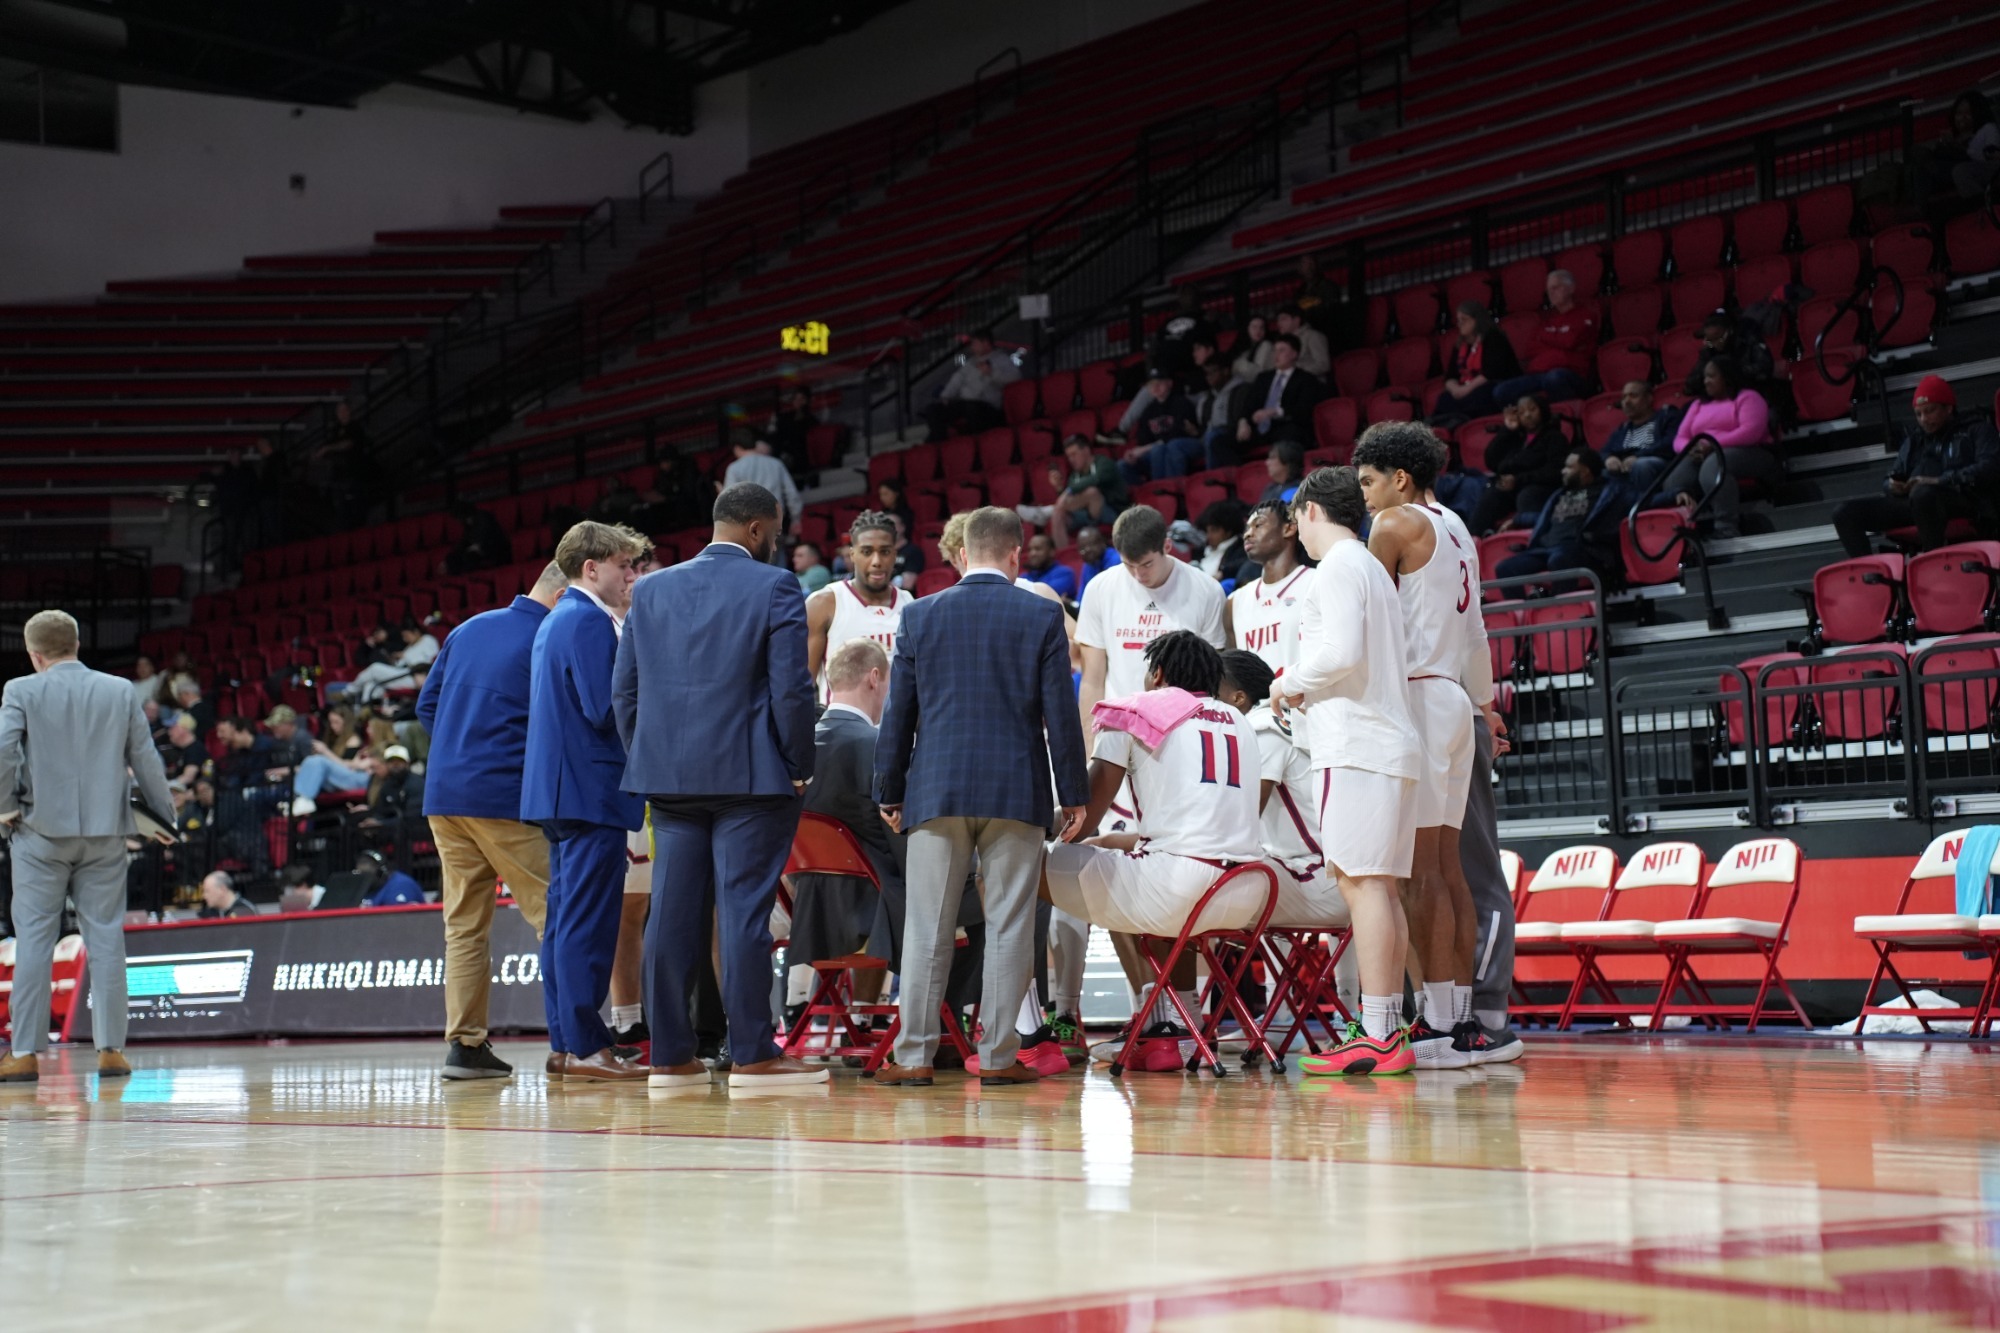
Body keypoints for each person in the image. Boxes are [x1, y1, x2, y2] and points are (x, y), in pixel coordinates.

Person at [614, 483, 824, 1089]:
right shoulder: (776, 585)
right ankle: (754, 1053)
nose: (778, 541)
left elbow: (624, 691)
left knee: (670, 916)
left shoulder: (649, 589)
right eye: (776, 530)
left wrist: (646, 755)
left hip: (669, 780)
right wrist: (798, 762)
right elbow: (792, 689)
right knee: (742, 916)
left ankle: (669, 1058)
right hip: (751, 779)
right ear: (757, 529)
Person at [872, 507, 1089, 1087]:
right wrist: (1073, 793)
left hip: (936, 788)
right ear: (1017, 555)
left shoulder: (918, 614)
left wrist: (889, 789)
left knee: (927, 927)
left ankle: (914, 1056)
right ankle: (996, 1058)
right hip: (1015, 788)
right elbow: (1060, 714)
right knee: (1012, 924)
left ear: (963, 554)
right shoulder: (1042, 613)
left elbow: (900, 714)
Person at [1040, 632, 1266, 1067]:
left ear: (1157, 673)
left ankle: (1030, 1025)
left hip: (1177, 888)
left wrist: (1025, 819)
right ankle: (1181, 1028)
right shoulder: (1238, 719)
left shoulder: (1136, 709)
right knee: (1136, 868)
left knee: (1017, 869)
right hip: (1246, 890)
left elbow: (1083, 814)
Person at [1273, 467, 1425, 1076]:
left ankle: (1378, 1033)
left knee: (1363, 887)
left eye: (1296, 521)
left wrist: (1287, 684)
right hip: (1386, 742)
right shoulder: (1368, 566)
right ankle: (1386, 1028)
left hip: (1357, 743)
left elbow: (1338, 655)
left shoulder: (1334, 567)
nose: (1297, 535)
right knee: (1380, 888)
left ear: (1311, 511)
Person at [1355, 423, 1497, 1068]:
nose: (1364, 497)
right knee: (1448, 868)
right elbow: (1476, 635)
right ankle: (1459, 1020)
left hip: (1412, 696)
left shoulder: (1393, 527)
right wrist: (1487, 707)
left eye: (1368, 482)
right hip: (1455, 701)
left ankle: (1437, 1026)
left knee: (1415, 874)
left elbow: (1368, 623)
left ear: (1400, 479)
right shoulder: (1459, 528)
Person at [0, 610, 177, 1083]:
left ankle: (23, 1054)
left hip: (40, 833)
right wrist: (165, 819)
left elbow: (4, 749)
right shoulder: (119, 690)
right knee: (106, 938)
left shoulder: (20, 689)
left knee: (35, 940)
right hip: (105, 834)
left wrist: (4, 807)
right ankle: (112, 1050)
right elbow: (145, 757)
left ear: (34, 655)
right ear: (76, 644)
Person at [417, 559, 567, 1081]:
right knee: (557, 917)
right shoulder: (549, 636)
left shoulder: (468, 627)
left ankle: (465, 1045)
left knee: (463, 928)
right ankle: (572, 1041)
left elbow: (427, 705)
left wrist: (461, 749)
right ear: (563, 591)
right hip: (503, 796)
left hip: (444, 797)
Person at [523, 521, 650, 1083]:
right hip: (588, 791)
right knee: (586, 924)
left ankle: (566, 1042)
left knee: (565, 922)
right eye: (624, 565)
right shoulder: (590, 621)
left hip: (560, 790)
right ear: (590, 568)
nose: (632, 575)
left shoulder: (558, 619)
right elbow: (608, 710)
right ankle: (583, 1045)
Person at [786, 640, 906, 1003]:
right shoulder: (879, 746)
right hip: (876, 912)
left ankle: (862, 1014)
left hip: (806, 911)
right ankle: (945, 1032)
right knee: (973, 898)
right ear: (874, 678)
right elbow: (903, 845)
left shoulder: (794, 747)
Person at [1216, 650, 1348, 932]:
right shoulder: (1280, 719)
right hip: (1329, 874)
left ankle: (1179, 979)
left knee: (1197, 882)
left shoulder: (1261, 731)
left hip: (1318, 879)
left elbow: (1242, 824)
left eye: (1214, 694)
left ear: (1238, 698)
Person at [1833, 375, 1999, 557]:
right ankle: (1868, 575)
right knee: (1845, 512)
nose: (1923, 419)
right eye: (1918, 414)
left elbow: (1989, 468)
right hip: (1916, 503)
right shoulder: (1914, 439)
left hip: (1962, 499)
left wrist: (1938, 481)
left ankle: (1932, 562)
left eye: (1930, 411)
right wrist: (1892, 485)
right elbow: (1893, 475)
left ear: (1949, 408)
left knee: (1923, 493)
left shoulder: (1976, 429)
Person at [1658, 356, 1781, 540]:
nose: (1706, 381)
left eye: (1711, 376)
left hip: (1753, 452)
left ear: (1727, 377)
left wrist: (1713, 446)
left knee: (1713, 466)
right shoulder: (1699, 404)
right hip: (1705, 452)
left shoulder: (1748, 397)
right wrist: (1691, 448)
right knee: (1675, 477)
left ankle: (1727, 527)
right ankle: (1685, 531)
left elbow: (1750, 432)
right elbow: (1680, 437)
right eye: (1705, 377)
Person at [806, 511, 915, 691]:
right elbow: (803, 683)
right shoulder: (824, 603)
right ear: (852, 555)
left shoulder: (908, 602)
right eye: (866, 552)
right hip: (842, 719)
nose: (876, 561)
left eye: (885, 551)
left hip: (898, 719)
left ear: (895, 555)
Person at [1494, 448, 1629, 588]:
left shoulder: (1610, 491)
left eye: (1569, 467)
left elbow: (1638, 501)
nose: (1563, 471)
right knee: (1505, 568)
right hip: (1547, 547)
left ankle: (1562, 608)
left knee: (1559, 559)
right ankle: (1522, 610)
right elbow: (1544, 517)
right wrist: (1517, 520)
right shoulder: (1561, 494)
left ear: (1585, 471)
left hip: (1581, 548)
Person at [1226, 499, 1316, 668]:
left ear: (1288, 528)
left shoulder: (1316, 582)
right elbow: (1234, 674)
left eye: (1258, 525)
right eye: (1247, 528)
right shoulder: (1234, 602)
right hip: (1261, 695)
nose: (1248, 534)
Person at [1490, 270, 1597, 405]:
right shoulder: (1547, 320)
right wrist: (1558, 342)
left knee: (1554, 378)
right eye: (1548, 290)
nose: (1551, 293)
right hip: (1538, 374)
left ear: (1571, 288)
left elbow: (1569, 341)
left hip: (1571, 374)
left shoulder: (1585, 316)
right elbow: (1531, 349)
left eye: (1556, 287)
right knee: (1501, 391)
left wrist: (1545, 339)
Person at [1470, 393, 1569, 535]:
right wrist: (1507, 430)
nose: (1528, 415)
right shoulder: (1516, 438)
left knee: (1527, 495)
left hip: (1540, 487)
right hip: (1514, 487)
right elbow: (1491, 461)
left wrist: (1518, 480)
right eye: (1522, 413)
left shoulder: (1555, 437)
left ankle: (1526, 538)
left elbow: (1554, 471)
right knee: (1492, 494)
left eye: (1532, 409)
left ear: (1542, 410)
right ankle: (1473, 540)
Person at [1028, 435, 1127, 546]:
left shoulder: (1104, 463)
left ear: (1086, 450)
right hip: (1085, 514)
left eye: (1074, 454)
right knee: (1058, 513)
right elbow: (1070, 500)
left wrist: (1068, 490)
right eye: (1069, 456)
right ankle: (1064, 555)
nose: (1071, 459)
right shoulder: (1074, 476)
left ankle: (1047, 511)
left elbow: (1096, 479)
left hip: (1112, 511)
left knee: (1092, 492)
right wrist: (1060, 488)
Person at [924, 329, 1020, 441]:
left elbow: (1014, 378)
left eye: (975, 343)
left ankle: (978, 444)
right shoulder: (970, 363)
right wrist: (946, 396)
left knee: (972, 410)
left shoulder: (1001, 360)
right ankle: (939, 445)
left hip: (987, 406)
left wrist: (991, 373)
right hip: (966, 403)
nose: (972, 347)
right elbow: (957, 380)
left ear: (985, 343)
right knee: (934, 410)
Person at [1435, 301, 1521, 423]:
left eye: (1463, 320)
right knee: (1444, 398)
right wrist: (1455, 389)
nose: (1459, 324)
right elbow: (1451, 375)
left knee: (1481, 395)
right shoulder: (1460, 345)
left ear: (1477, 320)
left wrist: (1465, 390)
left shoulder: (1494, 338)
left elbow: (1491, 373)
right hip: (1466, 387)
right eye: (1458, 320)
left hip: (1493, 384)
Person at [1234, 334, 1320, 449]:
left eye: (1282, 350)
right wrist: (1243, 422)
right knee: (1220, 439)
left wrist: (1274, 412)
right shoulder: (1263, 378)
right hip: (1258, 430)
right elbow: (1248, 405)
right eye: (1274, 351)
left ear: (1294, 354)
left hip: (1285, 427)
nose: (1276, 355)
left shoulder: (1306, 379)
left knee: (1290, 434)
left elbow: (1303, 410)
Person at [1117, 369, 1201, 484]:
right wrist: (1134, 453)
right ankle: (1145, 494)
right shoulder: (1148, 411)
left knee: (1159, 449)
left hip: (1179, 447)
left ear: (1169, 383)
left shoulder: (1181, 403)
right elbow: (1143, 439)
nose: (1155, 387)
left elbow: (1178, 434)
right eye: (1151, 384)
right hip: (1155, 453)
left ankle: (1163, 491)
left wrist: (1147, 448)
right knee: (1122, 465)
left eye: (1159, 383)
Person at [1601, 380, 1682, 494]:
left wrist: (1637, 457)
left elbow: (1670, 443)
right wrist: (1609, 459)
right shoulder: (1623, 428)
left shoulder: (1666, 416)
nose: (1627, 402)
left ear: (1649, 398)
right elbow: (1605, 450)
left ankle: (1646, 507)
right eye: (1624, 397)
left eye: (1633, 396)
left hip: (1657, 463)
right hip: (1626, 466)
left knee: (1641, 465)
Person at [722, 437, 803, 547]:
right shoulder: (776, 464)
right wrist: (796, 519)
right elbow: (791, 494)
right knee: (777, 560)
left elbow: (729, 500)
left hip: (750, 526)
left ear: (737, 448)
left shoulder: (734, 468)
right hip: (775, 521)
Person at [1683, 312, 1774, 398]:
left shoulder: (1748, 341)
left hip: (1751, 392)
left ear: (1729, 331)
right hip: (1719, 397)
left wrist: (1731, 372)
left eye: (1718, 339)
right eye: (1710, 341)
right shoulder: (1709, 349)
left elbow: (1765, 367)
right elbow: (1691, 383)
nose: (1714, 344)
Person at [348, 621, 441, 703]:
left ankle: (348, 692)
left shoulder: (428, 640)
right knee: (371, 684)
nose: (404, 639)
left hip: (419, 677)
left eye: (406, 636)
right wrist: (396, 660)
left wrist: (404, 656)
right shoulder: (410, 646)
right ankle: (366, 713)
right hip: (405, 673)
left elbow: (427, 663)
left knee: (375, 668)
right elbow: (401, 664)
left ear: (415, 632)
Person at [1149, 287, 1218, 380]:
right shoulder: (1167, 322)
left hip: (1193, 373)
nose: (1187, 298)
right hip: (1164, 376)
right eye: (1185, 295)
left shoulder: (1205, 319)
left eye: (1190, 295)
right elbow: (1152, 349)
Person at [445, 502, 513, 576]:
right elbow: (464, 541)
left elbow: (485, 538)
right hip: (480, 550)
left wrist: (476, 547)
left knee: (470, 557)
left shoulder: (483, 517)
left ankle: (471, 579)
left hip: (496, 549)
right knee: (452, 558)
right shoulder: (468, 525)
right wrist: (453, 554)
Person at [1196, 500, 1249, 583]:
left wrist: (1223, 572)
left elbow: (1248, 563)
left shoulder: (1242, 549)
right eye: (1207, 531)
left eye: (1214, 530)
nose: (1209, 536)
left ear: (1229, 531)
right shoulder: (1202, 550)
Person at [1274, 304, 1331, 378]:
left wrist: (1295, 373)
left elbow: (1323, 365)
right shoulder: (1282, 341)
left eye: (1283, 319)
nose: (1279, 323)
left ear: (1296, 320)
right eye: (1278, 320)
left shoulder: (1312, 336)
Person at [1018, 532, 1078, 601]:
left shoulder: (1064, 573)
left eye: (1038, 549)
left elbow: (1045, 595)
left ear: (1051, 552)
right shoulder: (1024, 576)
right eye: (1030, 550)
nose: (1032, 553)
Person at [355, 849, 427, 906]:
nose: (365, 881)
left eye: (367, 875)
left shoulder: (401, 884)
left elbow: (398, 920)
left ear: (382, 872)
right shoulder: (360, 890)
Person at [156, 712, 204, 788]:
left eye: (172, 728)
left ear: (182, 729)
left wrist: (165, 787)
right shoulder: (184, 750)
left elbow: (188, 777)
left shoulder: (195, 749)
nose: (169, 732)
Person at [1074, 526, 1121, 594]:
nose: (1087, 550)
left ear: (1102, 542)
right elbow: (1082, 596)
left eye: (1091, 544)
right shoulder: (1088, 564)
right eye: (1082, 548)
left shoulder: (1116, 559)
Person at [1260, 440, 1307, 505]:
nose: (1267, 463)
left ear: (1287, 463)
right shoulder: (1270, 488)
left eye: (1272, 458)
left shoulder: (1298, 490)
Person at [1231, 314, 1274, 384]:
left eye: (1262, 328)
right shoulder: (1244, 347)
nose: (1258, 331)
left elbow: (1258, 373)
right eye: (1254, 327)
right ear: (1247, 329)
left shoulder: (1266, 345)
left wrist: (1239, 364)